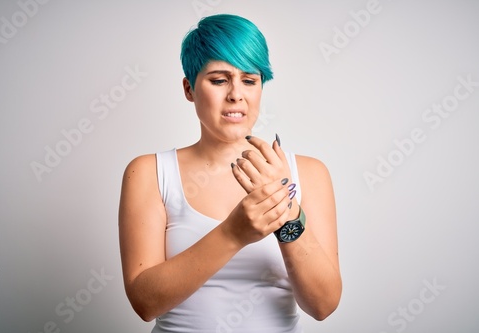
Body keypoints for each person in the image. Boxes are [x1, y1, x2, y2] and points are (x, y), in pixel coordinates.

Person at [119, 14, 341, 332]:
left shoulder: (309, 173)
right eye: (219, 79)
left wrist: (286, 212)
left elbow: (323, 305)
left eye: (249, 80)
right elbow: (145, 303)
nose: (236, 94)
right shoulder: (149, 173)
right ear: (189, 88)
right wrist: (233, 234)